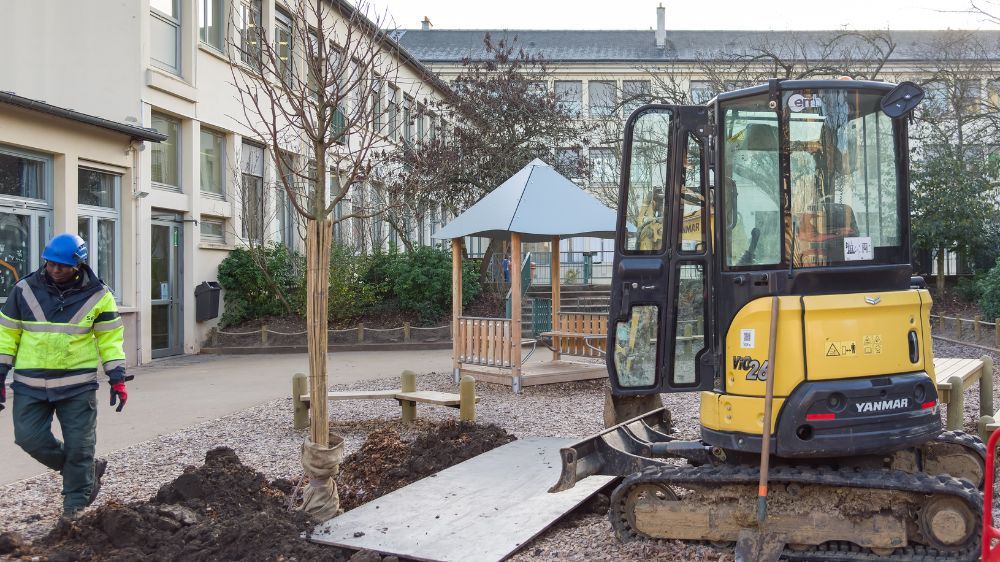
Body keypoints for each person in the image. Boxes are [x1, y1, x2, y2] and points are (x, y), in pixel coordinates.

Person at [0, 233, 130, 519]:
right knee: (28, 438)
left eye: (61, 265)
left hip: (77, 387)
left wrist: (117, 377)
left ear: (78, 265)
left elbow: (110, 341)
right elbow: (6, 336)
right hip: (30, 386)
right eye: (50, 263)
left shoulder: (99, 296)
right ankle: (81, 472)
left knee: (80, 447)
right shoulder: (24, 290)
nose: (55, 269)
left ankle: (75, 510)